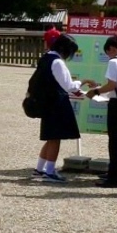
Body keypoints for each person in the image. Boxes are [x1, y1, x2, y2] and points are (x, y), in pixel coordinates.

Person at [31, 32, 83, 181]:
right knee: (55, 138)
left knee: (50, 137)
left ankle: (40, 168)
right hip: (56, 104)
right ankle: (50, 171)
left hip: (47, 103)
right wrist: (81, 82)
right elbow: (68, 86)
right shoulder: (57, 62)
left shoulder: (46, 57)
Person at [85, 35, 117, 187]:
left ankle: (115, 177)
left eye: (108, 53)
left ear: (112, 48)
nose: (108, 57)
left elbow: (111, 85)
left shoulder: (115, 62)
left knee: (115, 141)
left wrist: (96, 91)